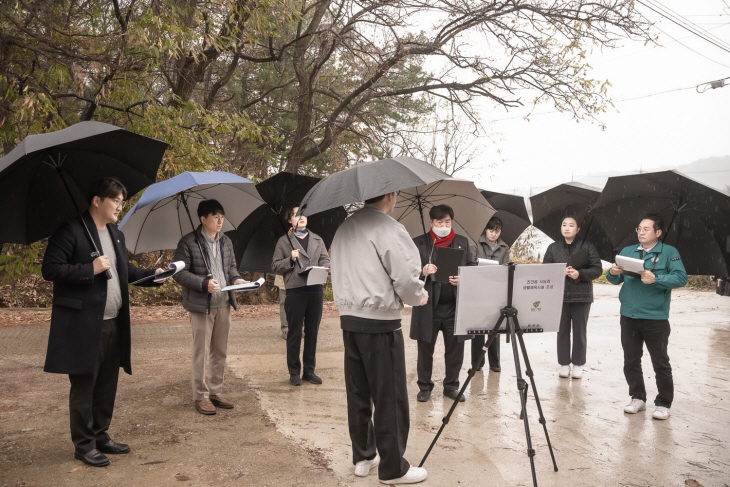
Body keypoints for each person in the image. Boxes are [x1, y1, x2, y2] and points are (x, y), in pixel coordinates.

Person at [42, 177, 164, 467]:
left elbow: (127, 271)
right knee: (84, 386)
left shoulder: (115, 234)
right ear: (97, 200)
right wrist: (89, 268)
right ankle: (83, 445)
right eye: (116, 201)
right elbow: (51, 268)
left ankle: (100, 434)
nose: (120, 207)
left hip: (114, 323)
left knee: (107, 385)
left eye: (122, 201)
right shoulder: (70, 230)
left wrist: (155, 275)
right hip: (83, 325)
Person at [331, 192, 429, 485]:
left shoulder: (344, 227)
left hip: (349, 320)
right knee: (390, 396)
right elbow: (405, 276)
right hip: (380, 323)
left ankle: (363, 456)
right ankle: (393, 468)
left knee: (358, 391)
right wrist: (419, 295)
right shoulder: (389, 228)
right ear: (390, 194)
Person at [607, 215, 687, 420]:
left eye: (646, 229)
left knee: (660, 361)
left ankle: (663, 403)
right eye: (639, 228)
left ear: (658, 233)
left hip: (655, 318)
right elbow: (614, 280)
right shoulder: (627, 252)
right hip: (629, 315)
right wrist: (613, 272)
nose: (640, 232)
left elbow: (681, 278)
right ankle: (637, 397)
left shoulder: (670, 252)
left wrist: (657, 278)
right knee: (631, 360)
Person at [173, 199, 248, 415]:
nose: (220, 221)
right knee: (201, 352)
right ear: (203, 219)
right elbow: (179, 273)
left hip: (224, 303)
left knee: (220, 351)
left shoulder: (226, 241)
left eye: (222, 217)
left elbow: (231, 268)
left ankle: (216, 391)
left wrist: (236, 281)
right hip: (200, 306)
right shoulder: (188, 242)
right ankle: (200, 395)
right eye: (216, 217)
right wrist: (203, 284)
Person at [411, 204, 475, 403]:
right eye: (440, 222)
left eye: (447, 221)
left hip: (454, 306)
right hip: (428, 305)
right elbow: (406, 270)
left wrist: (463, 278)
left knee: (455, 349)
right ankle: (424, 386)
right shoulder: (419, 243)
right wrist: (422, 271)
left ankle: (451, 386)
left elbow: (473, 269)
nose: (444, 225)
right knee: (425, 349)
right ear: (431, 222)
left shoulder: (462, 242)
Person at [271, 206, 331, 386]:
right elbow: (275, 266)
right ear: (290, 220)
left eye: (303, 213)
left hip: (315, 290)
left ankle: (309, 370)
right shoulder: (284, 242)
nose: (301, 217)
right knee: (295, 333)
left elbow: (325, 260)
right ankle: (294, 372)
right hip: (295, 290)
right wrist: (290, 259)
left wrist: (325, 267)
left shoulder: (317, 239)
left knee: (312, 332)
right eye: (296, 215)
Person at [543, 215, 603, 380]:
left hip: (581, 296)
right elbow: (544, 269)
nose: (567, 228)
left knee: (579, 331)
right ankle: (563, 364)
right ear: (561, 228)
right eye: (564, 225)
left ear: (578, 229)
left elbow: (597, 269)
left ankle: (578, 364)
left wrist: (579, 274)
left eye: (571, 225)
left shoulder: (587, 246)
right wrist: (559, 272)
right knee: (561, 331)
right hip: (559, 296)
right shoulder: (553, 248)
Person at [470, 216, 510, 373]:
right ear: (485, 230)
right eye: (491, 230)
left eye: (497, 231)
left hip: (495, 291)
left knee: (495, 329)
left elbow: (506, 267)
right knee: (478, 330)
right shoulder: (476, 244)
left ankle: (495, 363)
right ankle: (477, 362)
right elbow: (471, 264)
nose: (494, 234)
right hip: (479, 291)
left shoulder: (504, 248)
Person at [274, 274, 288, 339]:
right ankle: (285, 329)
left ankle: (301, 328)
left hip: (300, 277)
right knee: (284, 303)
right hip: (284, 275)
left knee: (300, 302)